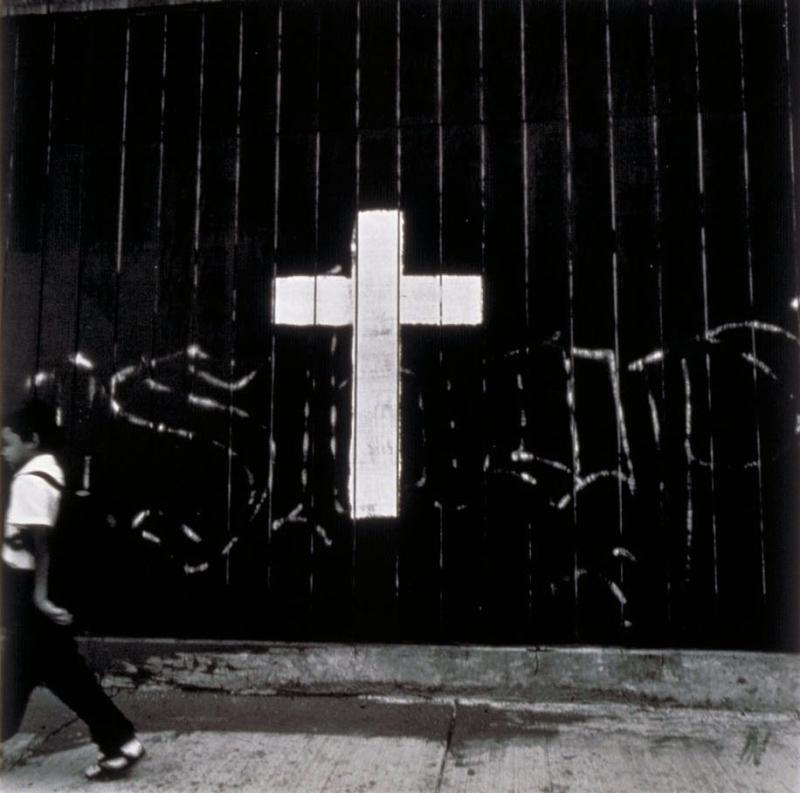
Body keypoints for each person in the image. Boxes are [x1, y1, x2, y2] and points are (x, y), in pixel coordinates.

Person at [1, 398, 145, 780]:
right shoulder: (51, 470)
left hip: (30, 594)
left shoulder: (30, 481)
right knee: (58, 674)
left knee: (30, 673)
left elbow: (42, 544)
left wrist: (39, 596)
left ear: (31, 440)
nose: (3, 452)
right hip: (37, 594)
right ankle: (119, 739)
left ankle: (120, 739)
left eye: (7, 443)